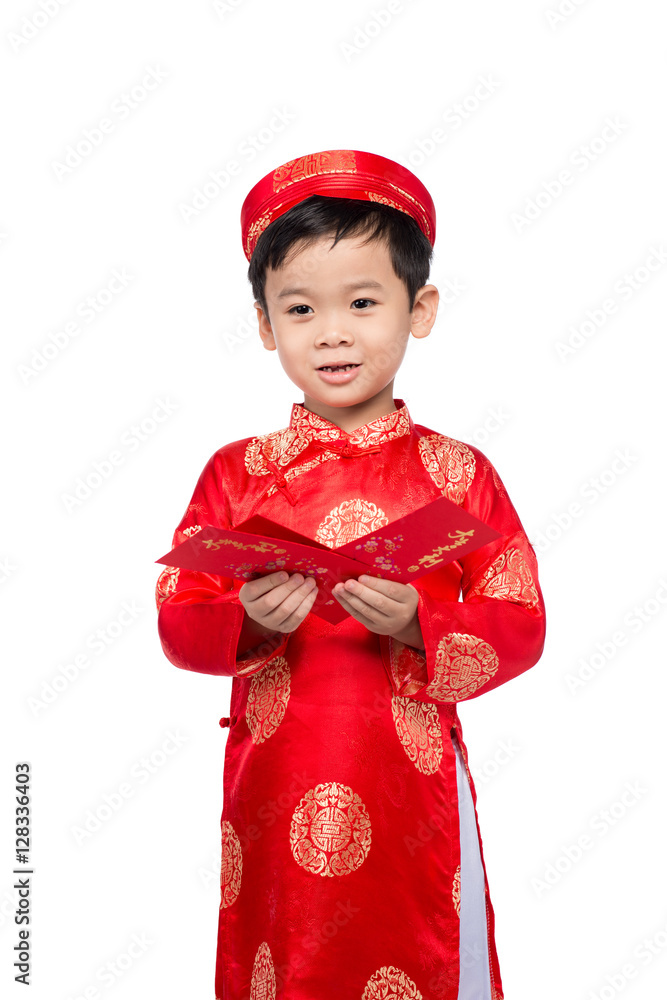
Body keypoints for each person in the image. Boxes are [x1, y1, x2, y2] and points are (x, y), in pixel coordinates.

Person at [156, 148, 546, 1000]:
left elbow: (519, 620)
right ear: (265, 324)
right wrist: (254, 619)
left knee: (428, 956)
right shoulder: (238, 473)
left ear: (420, 308)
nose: (332, 331)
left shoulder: (456, 473)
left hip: (411, 789)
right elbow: (179, 622)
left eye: (363, 302)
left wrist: (418, 623)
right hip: (274, 785)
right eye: (300, 308)